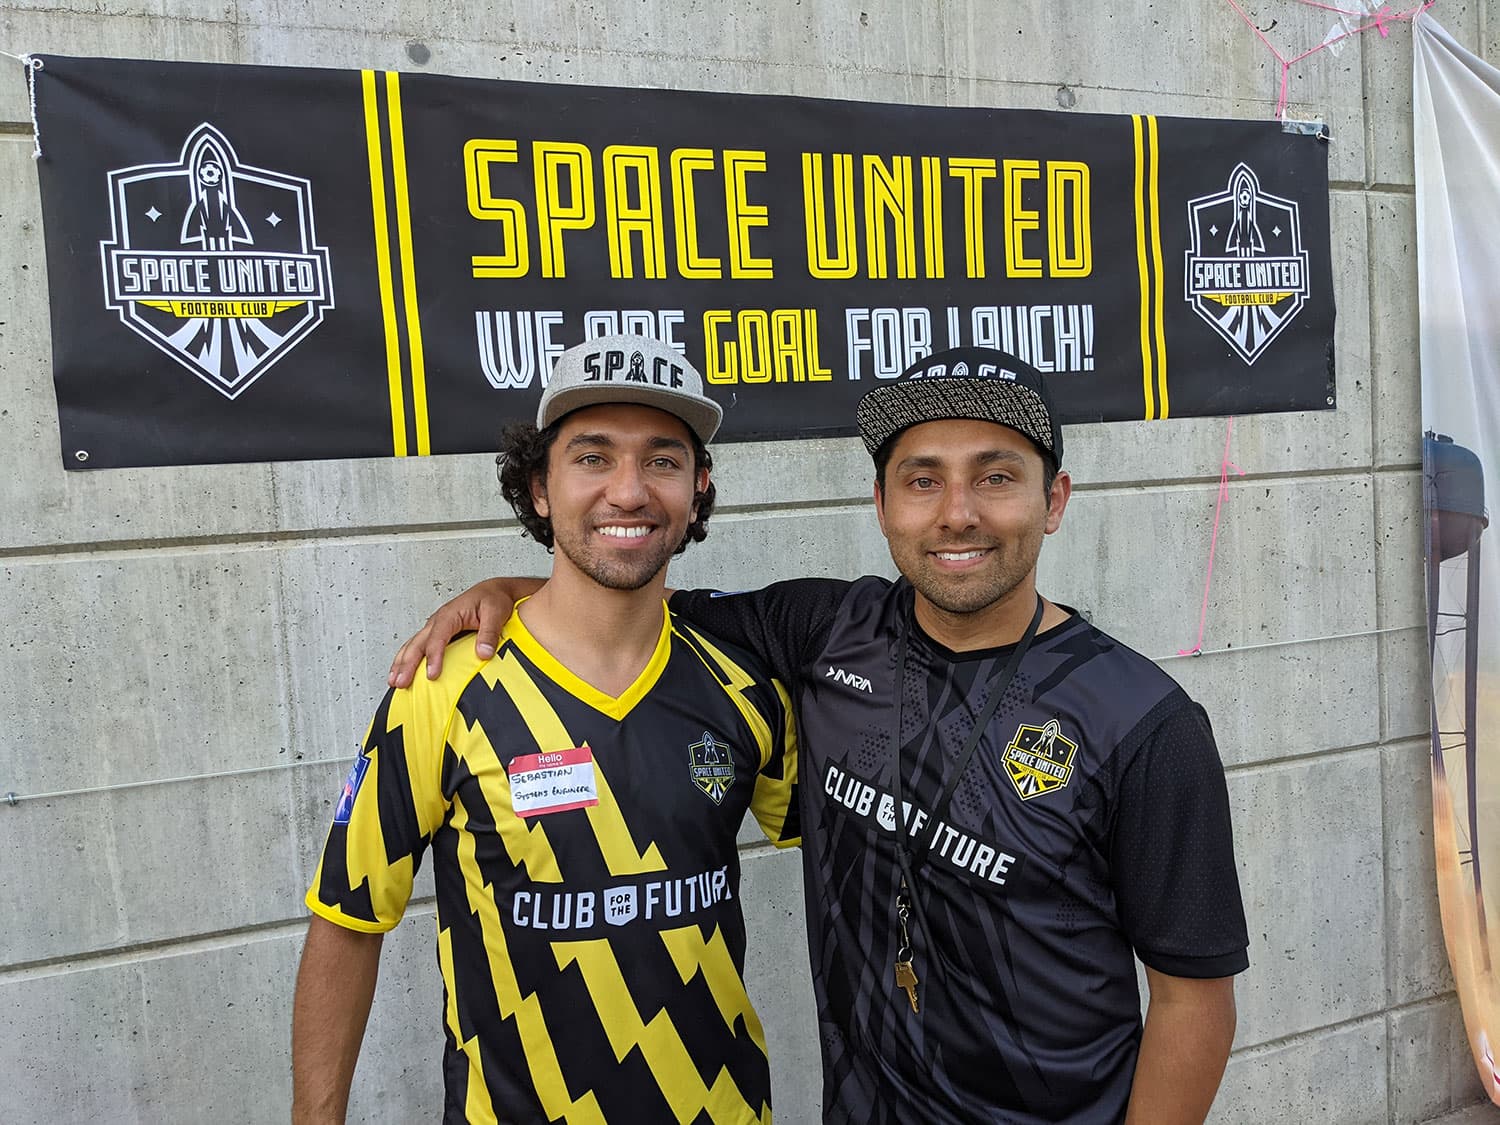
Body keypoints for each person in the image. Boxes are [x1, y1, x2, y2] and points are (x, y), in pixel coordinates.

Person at [390, 347, 1250, 1124]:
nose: (957, 513)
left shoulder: (1145, 721)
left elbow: (1193, 1001)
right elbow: (618, 590)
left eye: (995, 476)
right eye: (921, 479)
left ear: (1053, 500)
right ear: (880, 504)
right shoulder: (826, 630)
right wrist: (501, 589)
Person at [292, 334, 799, 1124]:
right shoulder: (443, 686)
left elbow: (858, 864)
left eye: (662, 461)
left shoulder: (744, 680)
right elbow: (348, 923)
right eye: (593, 458)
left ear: (698, 488)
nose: (628, 491)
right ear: (538, 486)